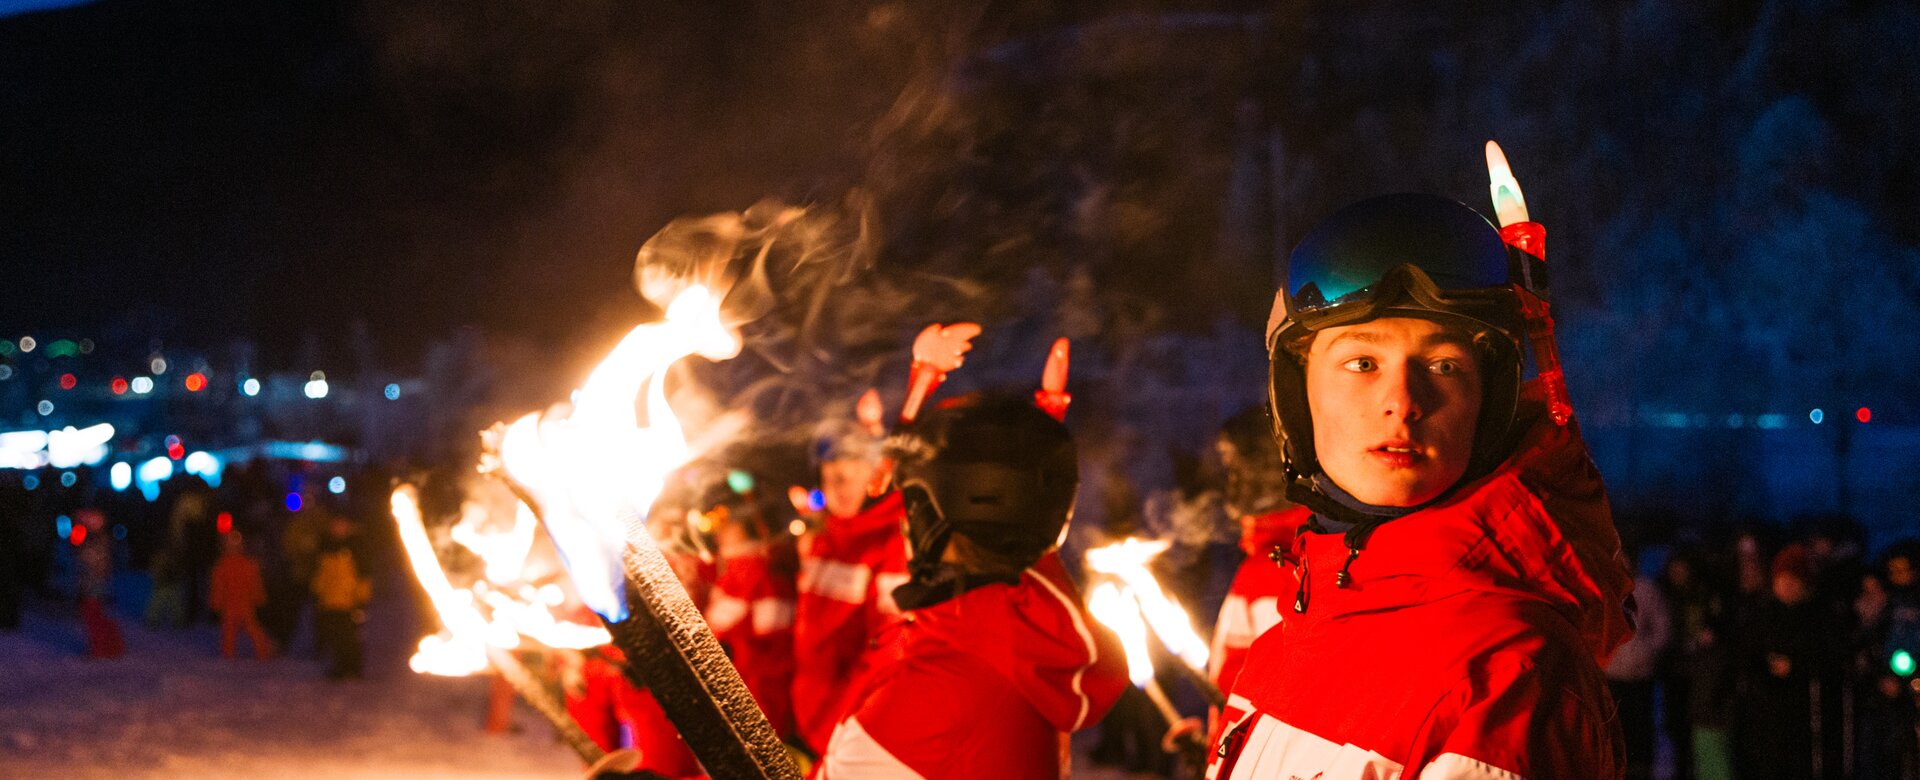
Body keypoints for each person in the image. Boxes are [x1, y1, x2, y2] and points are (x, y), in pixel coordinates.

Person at [1210, 193, 1635, 778]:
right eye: (1362, 363)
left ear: (1486, 407)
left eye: (1443, 366)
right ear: (1296, 395)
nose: (1403, 404)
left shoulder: (1506, 681)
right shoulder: (1284, 644)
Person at [816, 395, 1128, 778]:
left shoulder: (936, 697)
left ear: (932, 519)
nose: (905, 524)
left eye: (912, 505)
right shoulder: (1022, 649)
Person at [791, 417, 909, 753]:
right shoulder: (823, 538)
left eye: (846, 476)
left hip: (847, 731)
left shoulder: (889, 542)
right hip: (809, 724)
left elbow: (887, 649)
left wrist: (832, 731)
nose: (836, 488)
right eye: (828, 477)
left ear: (873, 478)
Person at [311, 517, 371, 679]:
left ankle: (353, 668)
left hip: (349, 602)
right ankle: (341, 666)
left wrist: (361, 599)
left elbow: (363, 576)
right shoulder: (325, 547)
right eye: (335, 525)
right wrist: (318, 592)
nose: (338, 528)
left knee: (350, 636)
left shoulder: (356, 548)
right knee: (335, 636)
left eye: (342, 525)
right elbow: (322, 574)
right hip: (330, 601)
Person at [209, 531, 274, 659]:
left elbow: (219, 586)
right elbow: (219, 586)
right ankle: (259, 651)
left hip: (238, 604)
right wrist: (258, 597)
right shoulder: (233, 565)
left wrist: (216, 601)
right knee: (238, 629)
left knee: (238, 629)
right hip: (238, 604)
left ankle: (234, 653)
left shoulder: (224, 566)